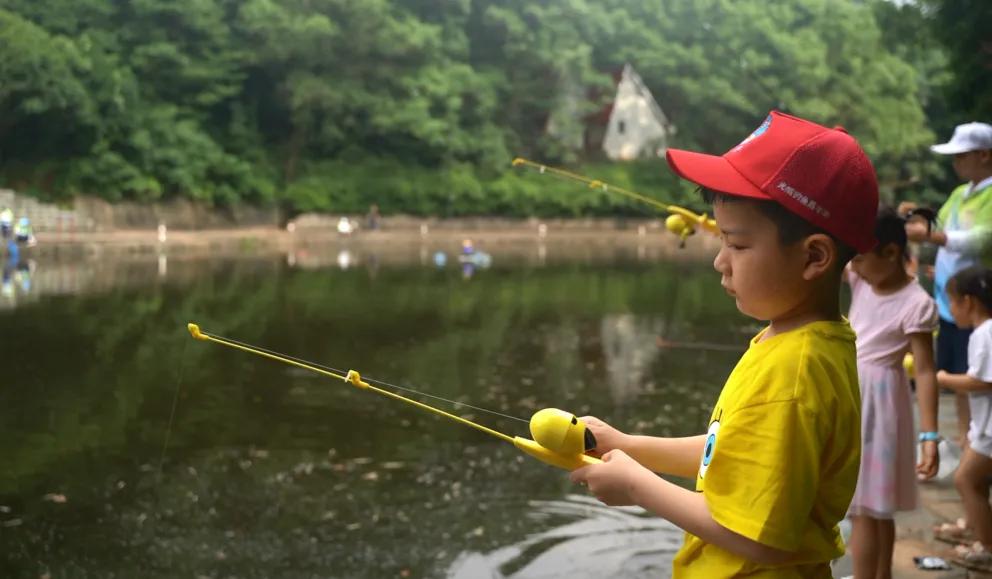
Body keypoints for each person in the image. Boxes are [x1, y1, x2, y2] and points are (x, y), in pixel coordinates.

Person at [570, 111, 878, 577]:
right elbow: (737, 454)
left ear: (814, 256)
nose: (719, 262)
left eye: (737, 244)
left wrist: (636, 485)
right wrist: (630, 446)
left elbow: (758, 539)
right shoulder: (802, 341)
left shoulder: (793, 373)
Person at [846, 207, 941, 579]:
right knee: (874, 507)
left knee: (865, 510)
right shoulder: (861, 280)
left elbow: (926, 371)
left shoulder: (916, 304)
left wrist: (929, 436)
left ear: (890, 252)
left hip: (879, 406)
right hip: (856, 396)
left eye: (859, 258)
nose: (853, 266)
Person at [905, 122, 992, 444]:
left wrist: (930, 235)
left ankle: (981, 445)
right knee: (960, 377)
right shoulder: (959, 194)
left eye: (961, 156)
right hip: (951, 305)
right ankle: (971, 444)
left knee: (979, 374)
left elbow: (982, 239)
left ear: (984, 155)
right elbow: (937, 225)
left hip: (979, 303)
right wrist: (916, 218)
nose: (955, 163)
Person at [935, 266, 992, 570]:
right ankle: (976, 527)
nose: (950, 309)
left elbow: (982, 380)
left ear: (968, 302)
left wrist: (944, 378)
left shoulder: (984, 333)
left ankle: (987, 547)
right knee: (976, 481)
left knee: (965, 479)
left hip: (990, 431)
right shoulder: (983, 332)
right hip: (984, 427)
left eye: (951, 302)